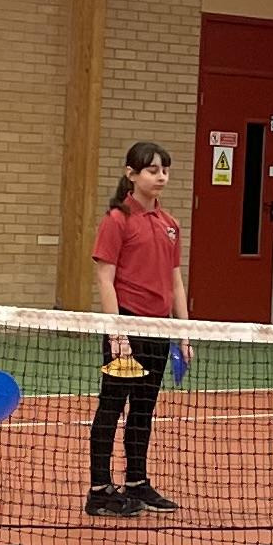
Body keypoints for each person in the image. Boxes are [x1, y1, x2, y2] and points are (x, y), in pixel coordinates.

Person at [87, 139, 183, 518]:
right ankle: (99, 491)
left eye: (165, 170)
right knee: (111, 407)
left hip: (159, 329)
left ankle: (137, 482)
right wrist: (117, 332)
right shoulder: (117, 220)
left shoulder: (170, 224)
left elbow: (175, 281)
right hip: (126, 327)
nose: (161, 177)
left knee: (144, 409)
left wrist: (183, 331)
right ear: (131, 174)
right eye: (152, 170)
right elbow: (105, 279)